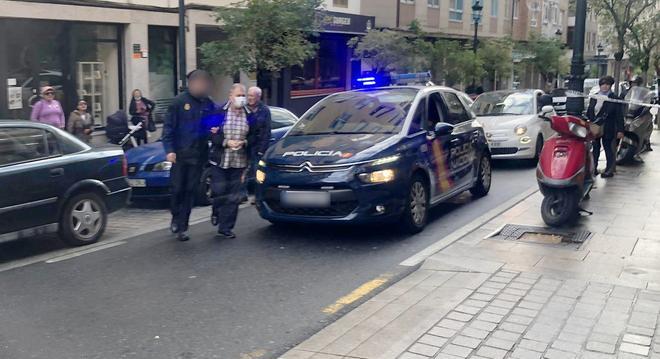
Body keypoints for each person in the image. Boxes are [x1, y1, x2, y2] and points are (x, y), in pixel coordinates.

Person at [162, 70, 215, 242]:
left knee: (190, 191)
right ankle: (175, 216)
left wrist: (215, 130)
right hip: (180, 155)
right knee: (177, 189)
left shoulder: (208, 103)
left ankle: (183, 226)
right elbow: (168, 128)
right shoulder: (178, 102)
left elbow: (215, 123)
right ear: (191, 84)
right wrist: (169, 149)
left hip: (198, 156)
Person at [208, 84, 257, 239]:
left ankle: (226, 227)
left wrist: (245, 143)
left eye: (243, 95)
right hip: (220, 160)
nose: (241, 98)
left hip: (239, 161)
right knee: (219, 192)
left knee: (234, 196)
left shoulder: (250, 115)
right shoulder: (219, 112)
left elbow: (255, 136)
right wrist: (225, 142)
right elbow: (212, 134)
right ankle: (216, 211)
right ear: (230, 96)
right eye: (238, 95)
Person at [587, 76, 624, 178]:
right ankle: (593, 168)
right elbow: (590, 110)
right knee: (595, 148)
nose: (604, 86)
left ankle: (609, 170)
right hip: (595, 126)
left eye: (607, 84)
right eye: (602, 84)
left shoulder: (614, 98)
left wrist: (621, 130)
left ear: (610, 86)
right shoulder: (594, 96)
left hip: (608, 127)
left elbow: (619, 115)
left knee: (608, 148)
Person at [239, 86, 271, 202]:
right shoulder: (243, 109)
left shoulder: (264, 110)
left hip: (258, 146)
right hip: (245, 145)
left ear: (258, 97)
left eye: (252, 96)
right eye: (249, 96)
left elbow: (266, 131)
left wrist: (262, 149)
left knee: (258, 173)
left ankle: (258, 196)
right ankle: (242, 195)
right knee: (243, 171)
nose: (250, 98)